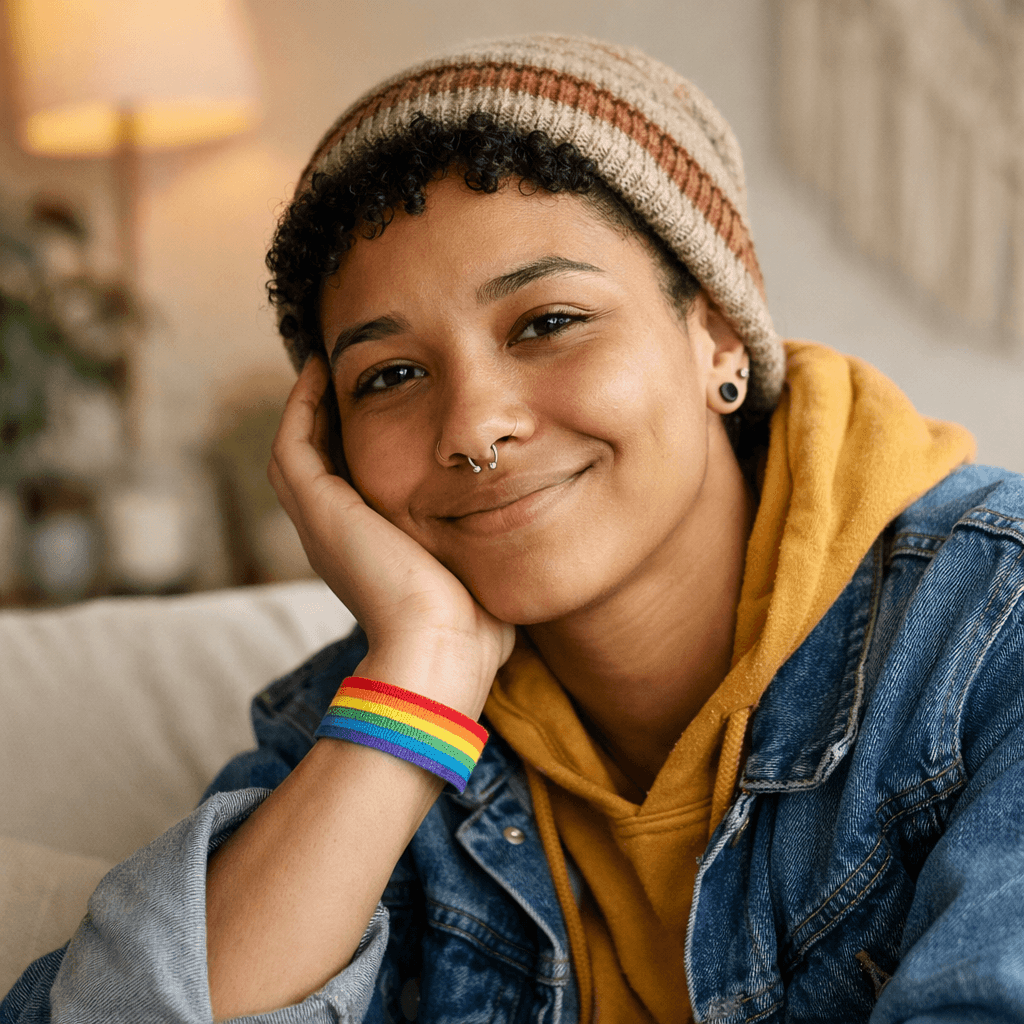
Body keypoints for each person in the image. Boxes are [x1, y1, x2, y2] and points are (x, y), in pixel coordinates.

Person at [4, 33, 1024, 1024]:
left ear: (716, 332)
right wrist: (423, 673)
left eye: (546, 322)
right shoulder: (369, 722)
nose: (472, 427)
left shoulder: (995, 633)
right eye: (390, 375)